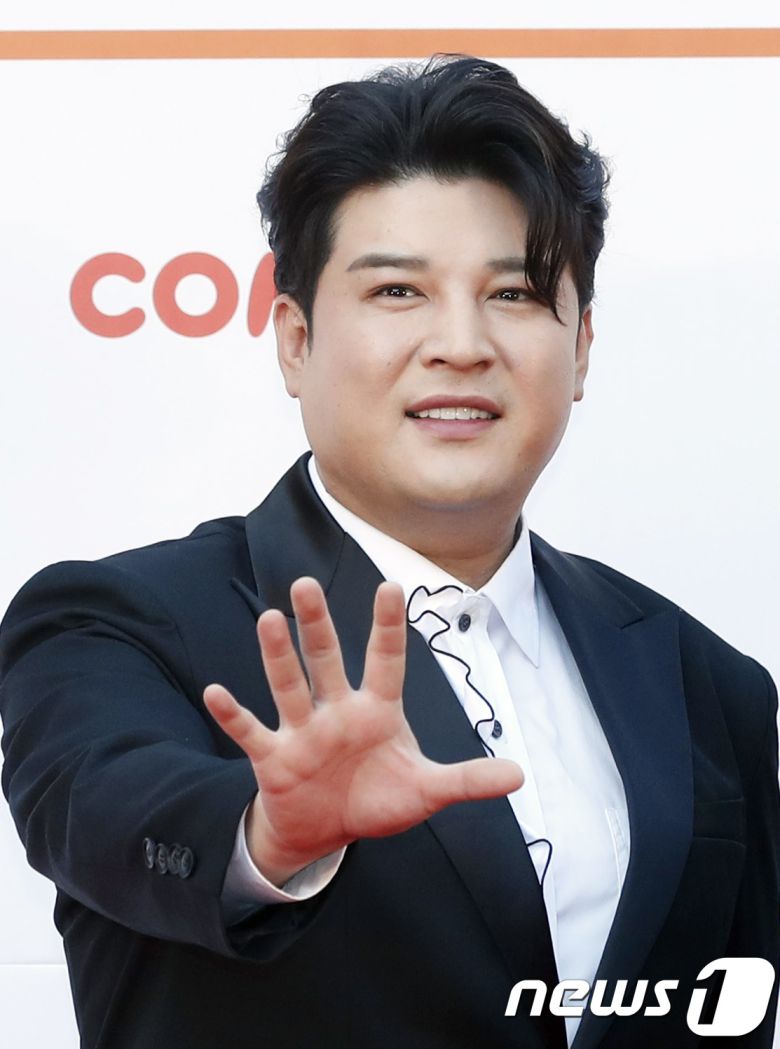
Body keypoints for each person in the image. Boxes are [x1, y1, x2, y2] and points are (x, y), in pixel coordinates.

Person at [1, 55, 777, 1049]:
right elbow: (108, 816)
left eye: (516, 291)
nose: (461, 343)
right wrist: (265, 834)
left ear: (581, 346)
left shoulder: (708, 681)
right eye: (399, 290)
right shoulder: (117, 622)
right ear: (294, 340)